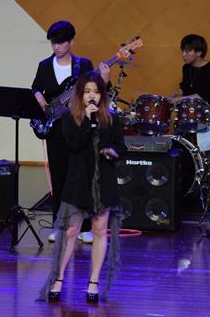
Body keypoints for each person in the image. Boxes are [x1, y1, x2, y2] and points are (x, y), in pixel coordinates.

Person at [38, 72, 126, 303]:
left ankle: (93, 282)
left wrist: (113, 151)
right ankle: (58, 279)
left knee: (99, 230)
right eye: (87, 92)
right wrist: (87, 121)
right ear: (80, 95)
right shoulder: (69, 118)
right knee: (70, 231)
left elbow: (121, 145)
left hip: (103, 181)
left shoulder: (112, 119)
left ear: (102, 95)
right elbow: (74, 144)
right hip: (78, 181)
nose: (92, 96)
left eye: (96, 91)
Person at [32, 20, 110, 244]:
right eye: (53, 43)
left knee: (82, 178)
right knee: (58, 180)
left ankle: (85, 227)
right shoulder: (44, 65)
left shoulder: (83, 65)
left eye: (61, 42)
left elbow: (95, 93)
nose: (56, 47)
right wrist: (38, 96)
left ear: (71, 42)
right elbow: (36, 87)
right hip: (55, 129)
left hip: (79, 128)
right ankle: (59, 226)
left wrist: (105, 81)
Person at [171, 33, 210, 114]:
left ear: (199, 52)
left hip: (207, 113)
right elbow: (185, 88)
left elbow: (203, 96)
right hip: (189, 112)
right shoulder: (186, 67)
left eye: (187, 51)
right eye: (183, 51)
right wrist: (175, 95)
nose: (183, 54)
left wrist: (177, 99)